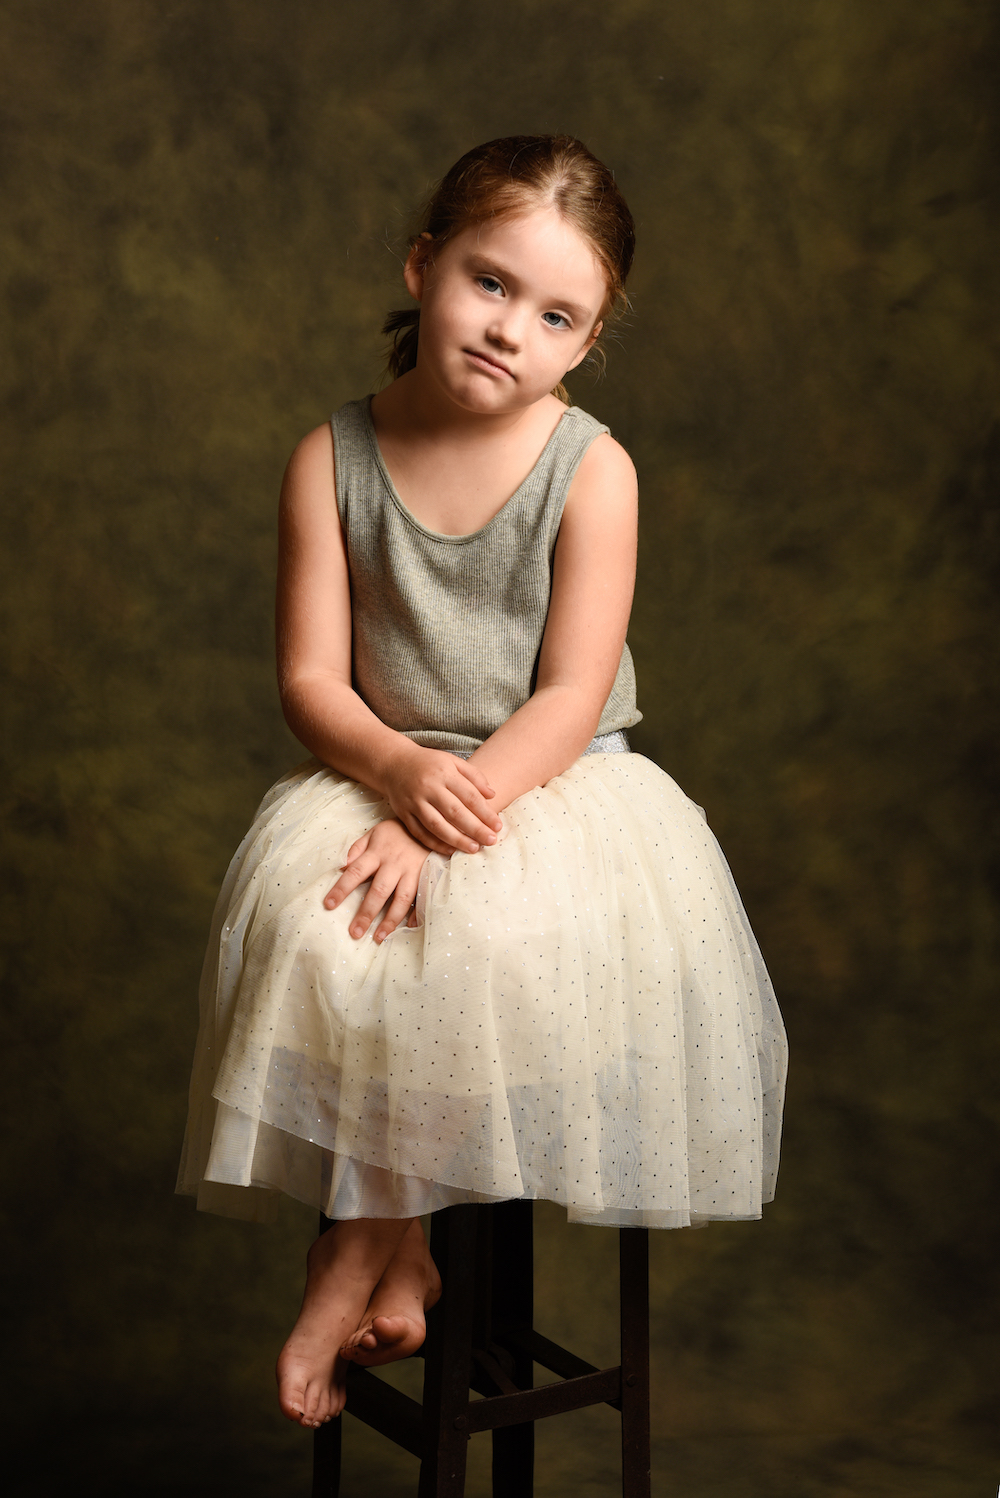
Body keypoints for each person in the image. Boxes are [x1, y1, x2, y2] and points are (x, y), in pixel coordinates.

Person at [176, 134, 788, 1431]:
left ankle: (362, 1239)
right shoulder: (329, 458)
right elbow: (311, 682)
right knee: (317, 925)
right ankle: (402, 1246)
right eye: (490, 284)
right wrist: (400, 775)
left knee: (478, 937)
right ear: (423, 265)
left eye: (557, 314)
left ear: (588, 340)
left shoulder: (592, 469)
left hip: (552, 782)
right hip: (381, 764)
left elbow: (569, 695)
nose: (514, 328)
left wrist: (456, 810)